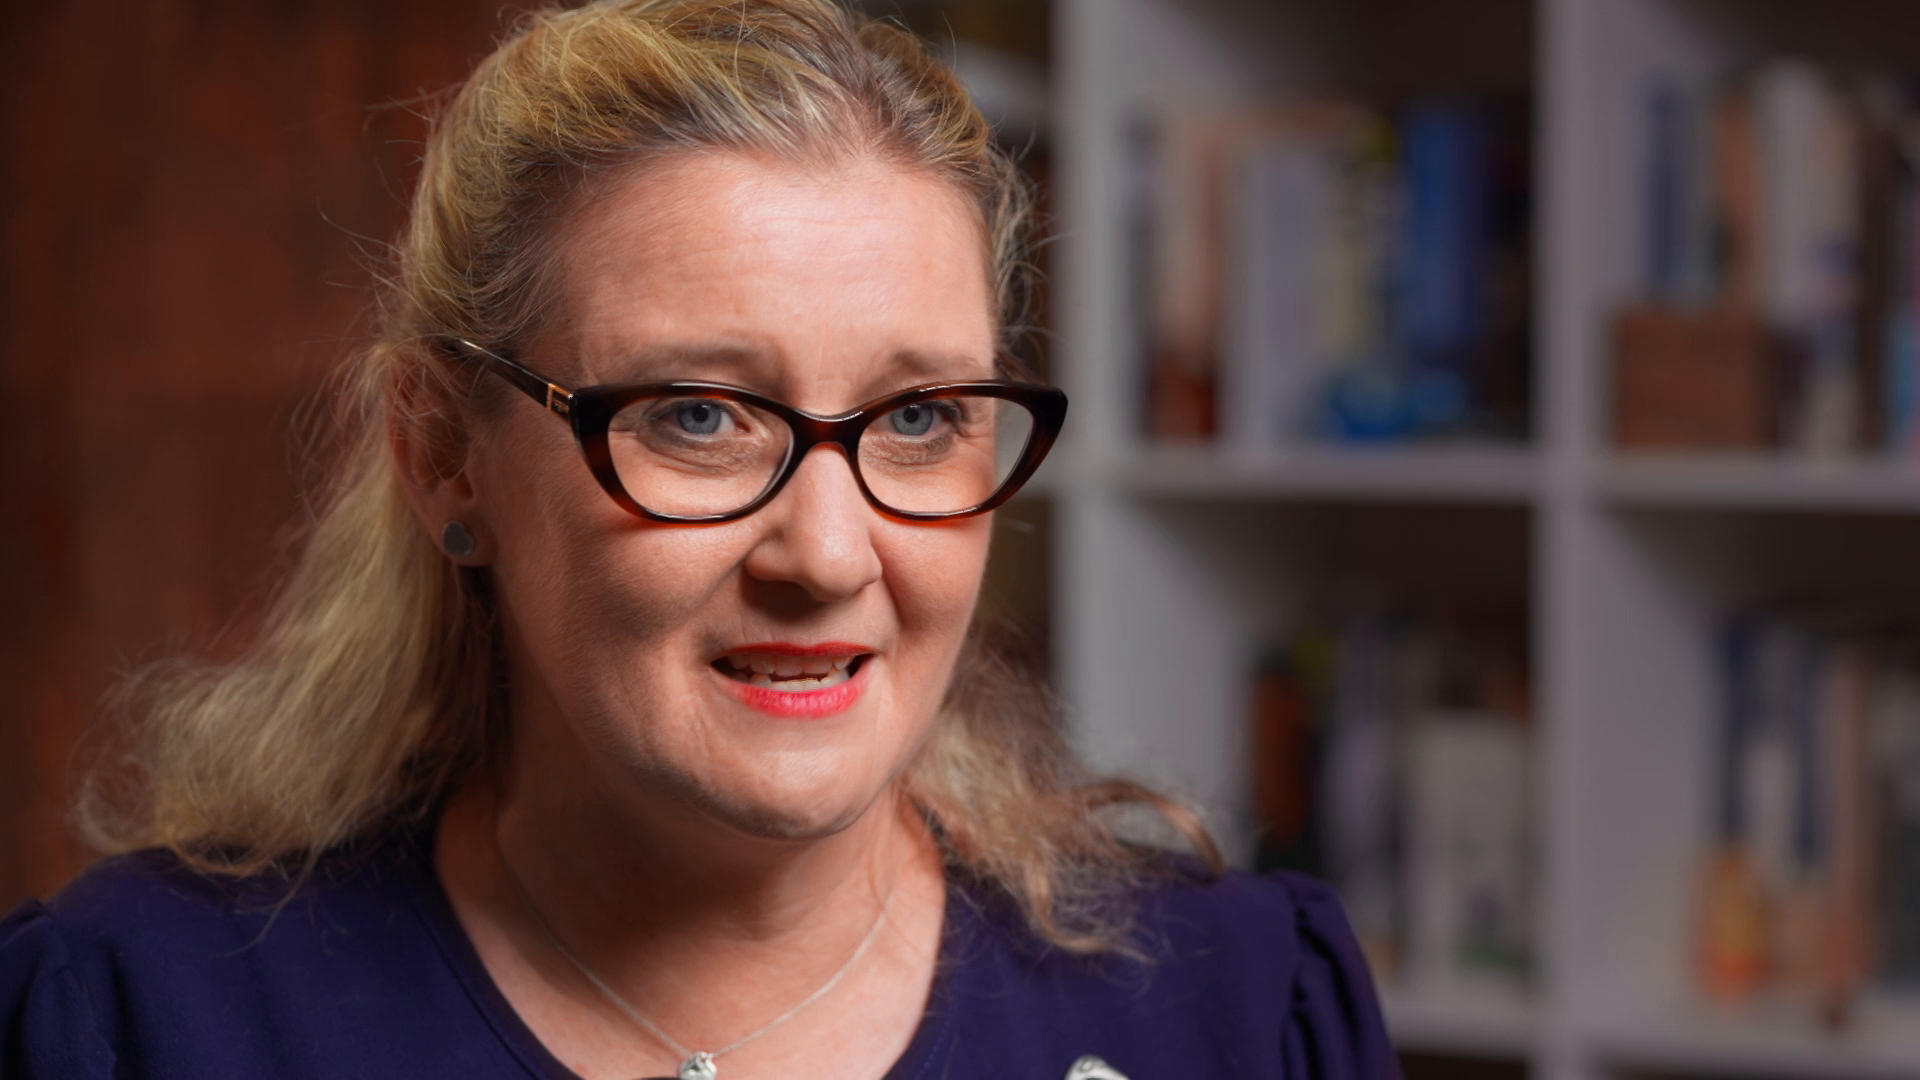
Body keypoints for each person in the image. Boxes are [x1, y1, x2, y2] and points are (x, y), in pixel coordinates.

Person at [0, 1, 1395, 1077]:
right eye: (698, 416)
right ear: (441, 455)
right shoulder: (142, 1017)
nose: (828, 556)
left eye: (919, 418)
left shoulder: (1234, 1010)